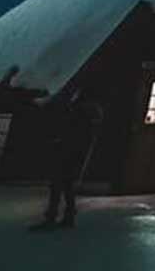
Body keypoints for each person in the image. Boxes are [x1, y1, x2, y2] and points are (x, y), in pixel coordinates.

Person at [30, 93, 103, 231]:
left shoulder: (78, 115)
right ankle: (68, 217)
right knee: (67, 186)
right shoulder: (86, 117)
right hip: (73, 155)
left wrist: (59, 141)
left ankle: (52, 218)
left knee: (57, 185)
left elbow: (70, 134)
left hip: (67, 154)